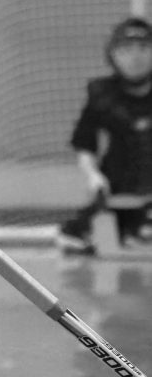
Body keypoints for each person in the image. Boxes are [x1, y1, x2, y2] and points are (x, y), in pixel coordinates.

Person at [57, 17, 152, 256]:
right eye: (126, 50)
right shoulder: (102, 95)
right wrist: (93, 176)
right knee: (77, 239)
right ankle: (128, 227)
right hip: (118, 188)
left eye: (143, 48)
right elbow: (84, 144)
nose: (135, 57)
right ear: (113, 55)